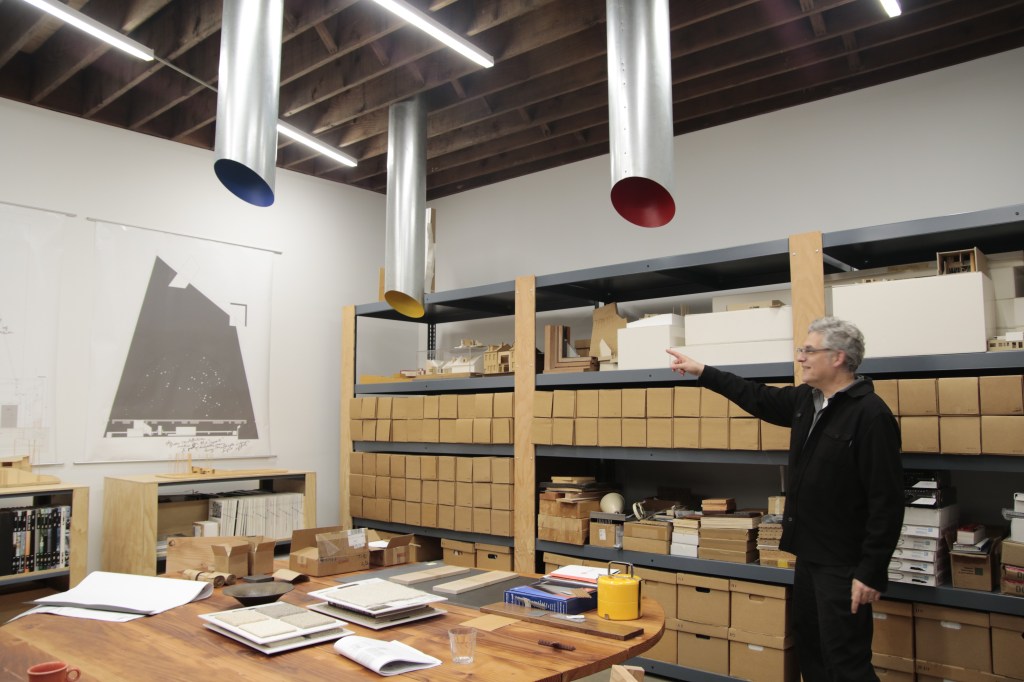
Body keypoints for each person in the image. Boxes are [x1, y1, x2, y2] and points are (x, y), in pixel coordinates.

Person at [667, 316, 903, 682]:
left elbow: (886, 501)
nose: (801, 358)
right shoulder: (806, 402)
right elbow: (756, 397)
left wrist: (871, 571)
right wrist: (703, 372)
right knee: (812, 650)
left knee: (846, 661)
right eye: (801, 350)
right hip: (808, 556)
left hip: (844, 564)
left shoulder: (870, 415)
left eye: (809, 350)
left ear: (838, 357)